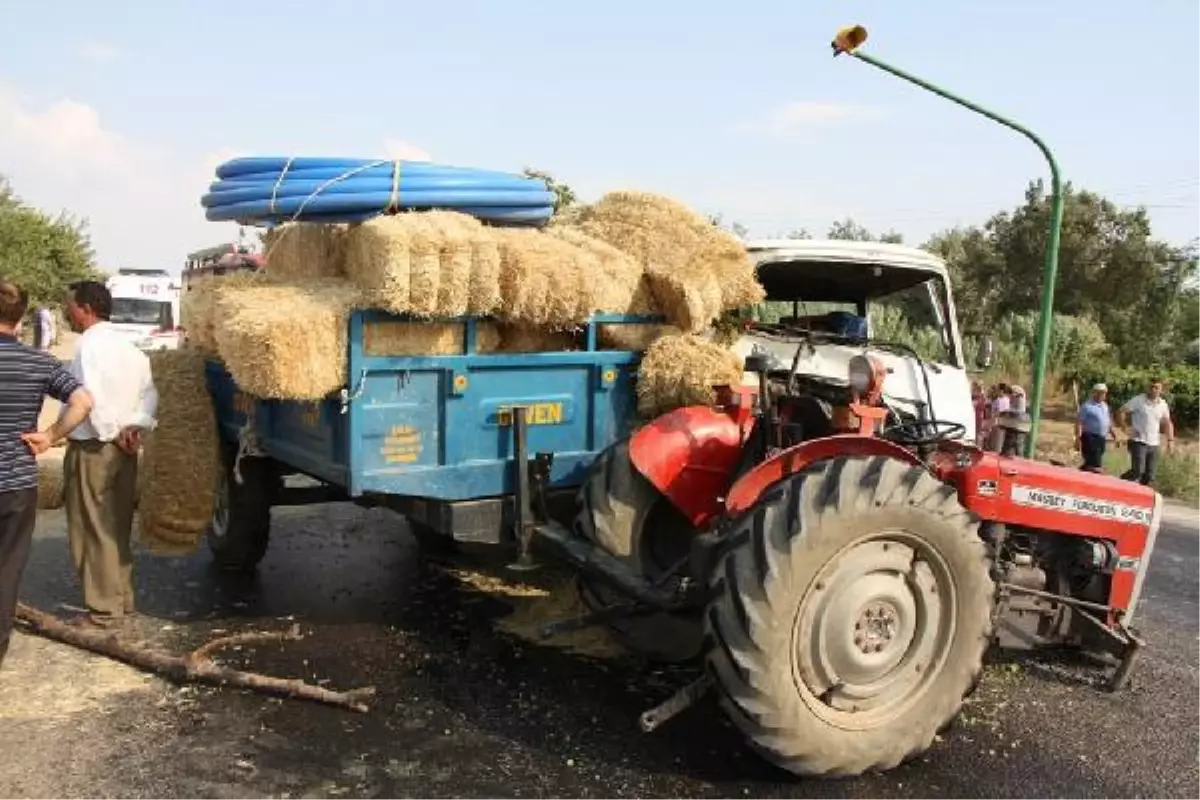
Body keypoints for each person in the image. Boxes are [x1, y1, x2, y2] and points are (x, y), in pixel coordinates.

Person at [0, 280, 93, 668]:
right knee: (7, 568)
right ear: (21, 316)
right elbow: (83, 401)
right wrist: (50, 436)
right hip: (17, 482)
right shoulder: (39, 363)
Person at [60, 280, 158, 629]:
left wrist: (113, 433)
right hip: (125, 447)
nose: (66, 311)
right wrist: (134, 428)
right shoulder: (130, 347)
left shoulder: (88, 347)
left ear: (86, 309)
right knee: (116, 526)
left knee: (92, 528)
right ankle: (121, 599)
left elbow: (90, 399)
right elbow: (148, 393)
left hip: (96, 446)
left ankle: (102, 610)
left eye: (70, 305)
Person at [1117, 378, 1174, 486]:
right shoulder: (1138, 400)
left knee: (1149, 476)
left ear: (1161, 390)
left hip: (1154, 443)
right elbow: (1121, 412)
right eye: (1151, 387)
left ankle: (1140, 497)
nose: (1153, 389)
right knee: (1138, 471)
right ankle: (1118, 485)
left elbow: (1167, 423)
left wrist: (1170, 441)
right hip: (1138, 441)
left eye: (1156, 387)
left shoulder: (1163, 404)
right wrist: (1126, 428)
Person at [1075, 383, 1118, 472]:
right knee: (1096, 465)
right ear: (1094, 393)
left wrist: (1113, 434)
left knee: (1090, 462)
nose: (1101, 395)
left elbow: (1107, 421)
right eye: (1099, 393)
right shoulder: (1087, 406)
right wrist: (1078, 439)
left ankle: (1078, 474)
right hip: (1089, 437)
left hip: (1101, 438)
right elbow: (1079, 422)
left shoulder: (1105, 406)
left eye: (1103, 393)